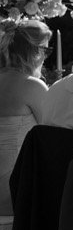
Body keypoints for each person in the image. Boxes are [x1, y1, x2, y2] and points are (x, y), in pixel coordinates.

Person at [0, 19, 51, 217]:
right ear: (33, 52)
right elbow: (51, 133)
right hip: (13, 193)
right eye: (45, 50)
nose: (45, 57)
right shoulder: (32, 86)